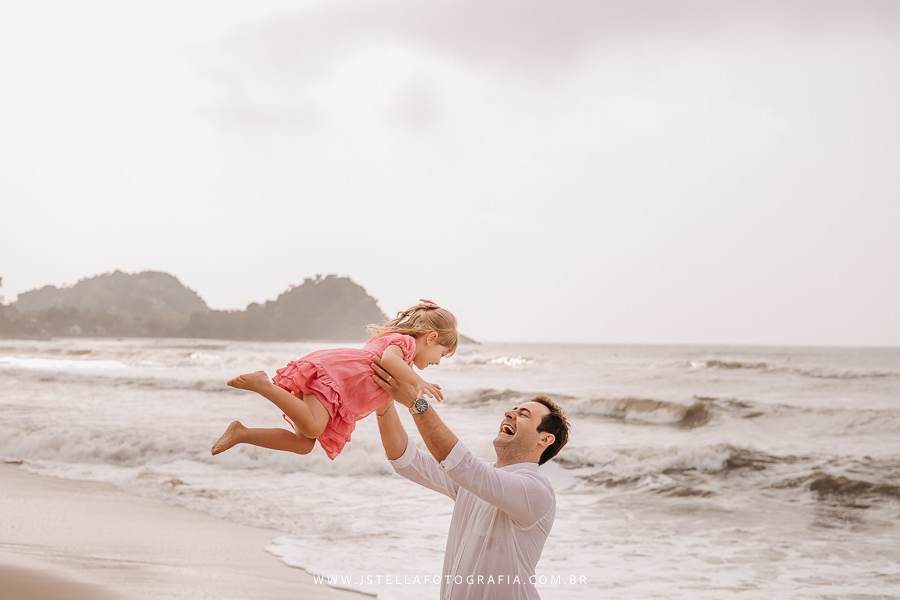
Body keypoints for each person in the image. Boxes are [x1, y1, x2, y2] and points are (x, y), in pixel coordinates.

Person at [371, 357, 570, 600]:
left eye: (523, 414)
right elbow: (406, 460)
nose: (510, 413)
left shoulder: (536, 490)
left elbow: (462, 465)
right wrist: (383, 405)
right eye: (513, 410)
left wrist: (416, 403)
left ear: (545, 439)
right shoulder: (475, 481)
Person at [211, 301, 457, 460]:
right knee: (313, 427)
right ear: (432, 338)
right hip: (333, 378)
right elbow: (387, 360)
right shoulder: (405, 344)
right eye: (442, 354)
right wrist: (417, 381)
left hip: (336, 384)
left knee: (303, 444)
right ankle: (263, 384)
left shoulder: (404, 357)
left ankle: (242, 433)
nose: (438, 361)